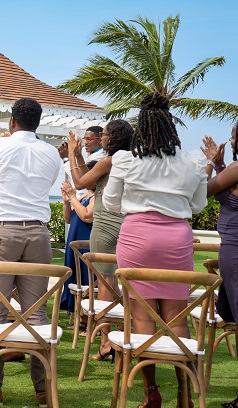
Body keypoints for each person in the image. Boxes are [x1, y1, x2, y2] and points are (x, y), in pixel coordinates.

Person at [103, 92, 207, 408]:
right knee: (177, 318)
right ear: (171, 125)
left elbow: (109, 202)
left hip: (136, 238)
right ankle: (185, 395)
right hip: (177, 239)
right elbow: (198, 204)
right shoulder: (192, 162)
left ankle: (152, 394)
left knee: (142, 318)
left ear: (142, 125)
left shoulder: (124, 159)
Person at [0, 98, 60, 407]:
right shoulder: (52, 154)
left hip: (3, 231)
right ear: (37, 123)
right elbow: (47, 185)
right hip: (39, 233)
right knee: (37, 312)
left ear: (11, 122)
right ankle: (43, 392)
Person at [67, 119, 133, 361]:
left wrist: (73, 155)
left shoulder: (111, 159)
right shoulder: (129, 160)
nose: (102, 138)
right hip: (127, 226)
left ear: (112, 138)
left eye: (104, 135)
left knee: (105, 284)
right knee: (125, 284)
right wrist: (80, 160)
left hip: (106, 224)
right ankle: (121, 336)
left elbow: (80, 183)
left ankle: (107, 341)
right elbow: (94, 180)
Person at [201, 122, 238, 408]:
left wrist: (211, 164)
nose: (231, 140)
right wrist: (223, 162)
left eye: (234, 137)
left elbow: (204, 193)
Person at [58, 179, 95, 315]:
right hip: (74, 241)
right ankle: (76, 312)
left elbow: (86, 216)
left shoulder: (97, 198)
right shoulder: (82, 197)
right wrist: (66, 201)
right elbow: (68, 219)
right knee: (73, 274)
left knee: (86, 277)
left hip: (87, 243)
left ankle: (88, 317)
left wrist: (72, 196)